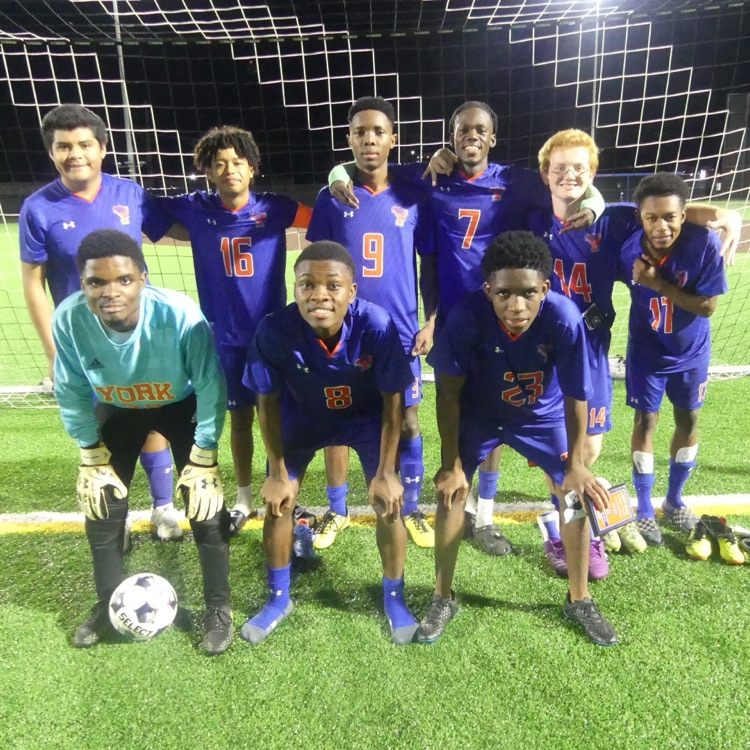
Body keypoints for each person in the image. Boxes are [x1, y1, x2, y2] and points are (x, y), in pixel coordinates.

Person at [329, 102, 606, 557]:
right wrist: (336, 173)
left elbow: (567, 187)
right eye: (462, 130)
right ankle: (452, 494)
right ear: (452, 136)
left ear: (493, 138)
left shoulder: (514, 180)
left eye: (480, 129)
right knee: (464, 415)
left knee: (509, 411)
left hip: (508, 314)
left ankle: (488, 514)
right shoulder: (432, 176)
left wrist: (594, 201)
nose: (471, 136)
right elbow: (371, 162)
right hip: (459, 322)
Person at [529, 131, 742, 554]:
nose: (569, 174)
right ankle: (563, 527)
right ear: (544, 173)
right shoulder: (529, 215)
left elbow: (669, 211)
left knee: (588, 445)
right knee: (549, 440)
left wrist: (724, 214)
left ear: (592, 173)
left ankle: (584, 509)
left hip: (590, 343)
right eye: (560, 167)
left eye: (579, 167)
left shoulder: (615, 219)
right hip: (543, 343)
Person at [420, 230, 617, 646]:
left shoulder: (562, 317)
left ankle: (578, 598)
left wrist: (577, 465)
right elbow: (448, 394)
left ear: (544, 288)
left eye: (528, 293)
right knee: (452, 492)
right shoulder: (466, 315)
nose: (516, 305)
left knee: (572, 492)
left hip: (540, 416)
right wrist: (451, 463)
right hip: (480, 412)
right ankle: (442, 595)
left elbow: (577, 395)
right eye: (504, 293)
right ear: (488, 288)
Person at [52, 229, 232, 654]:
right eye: (97, 282)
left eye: (124, 280)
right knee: (102, 508)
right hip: (116, 409)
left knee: (206, 508)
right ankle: (108, 603)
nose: (110, 292)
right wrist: (88, 453)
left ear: (143, 279)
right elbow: (70, 388)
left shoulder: (181, 315)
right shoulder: (69, 318)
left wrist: (205, 456)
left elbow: (210, 386)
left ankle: (218, 608)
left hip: (178, 403)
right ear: (83, 284)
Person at [241, 240, 418, 645]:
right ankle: (278, 598)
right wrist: (277, 471)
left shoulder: (375, 324)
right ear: (295, 289)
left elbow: (394, 399)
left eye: (332, 286)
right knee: (278, 503)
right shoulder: (274, 330)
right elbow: (264, 402)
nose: (319, 294)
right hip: (302, 418)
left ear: (351, 292)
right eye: (307, 284)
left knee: (389, 504)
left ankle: (395, 598)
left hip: (364, 419)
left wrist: (388, 471)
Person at [19, 104, 181, 541]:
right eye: (64, 146)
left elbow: (181, 226)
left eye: (84, 144)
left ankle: (163, 508)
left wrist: (228, 222)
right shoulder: (38, 209)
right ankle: (118, 515)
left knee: (150, 414)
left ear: (103, 148)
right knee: (99, 427)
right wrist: (53, 353)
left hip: (136, 335)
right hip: (82, 343)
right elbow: (33, 284)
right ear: (52, 153)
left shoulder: (130, 194)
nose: (75, 154)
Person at [150, 125, 312, 525]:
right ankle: (243, 498)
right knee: (239, 419)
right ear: (207, 170)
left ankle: (288, 486)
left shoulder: (275, 207)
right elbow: (148, 212)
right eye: (219, 163)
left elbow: (324, 215)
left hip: (272, 334)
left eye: (237, 162)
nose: (229, 170)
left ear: (252, 168)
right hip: (224, 336)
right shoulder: (196, 208)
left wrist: (339, 177)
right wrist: (190, 232)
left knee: (282, 416)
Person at [306, 96, 436, 550]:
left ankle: (415, 505)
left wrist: (432, 319)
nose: (369, 139)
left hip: (400, 331)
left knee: (409, 421)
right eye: (360, 132)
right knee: (336, 417)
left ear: (392, 139)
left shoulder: (414, 195)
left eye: (378, 131)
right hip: (343, 331)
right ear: (349, 141)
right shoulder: (332, 196)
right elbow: (316, 266)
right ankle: (337, 510)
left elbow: (430, 265)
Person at [623, 173, 727, 541]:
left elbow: (708, 307)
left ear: (684, 215)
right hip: (647, 353)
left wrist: (658, 285)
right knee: (645, 422)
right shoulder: (628, 247)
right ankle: (645, 506)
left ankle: (675, 499)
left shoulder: (703, 244)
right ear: (641, 217)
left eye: (670, 216)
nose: (661, 225)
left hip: (691, 353)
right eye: (652, 217)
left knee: (688, 417)